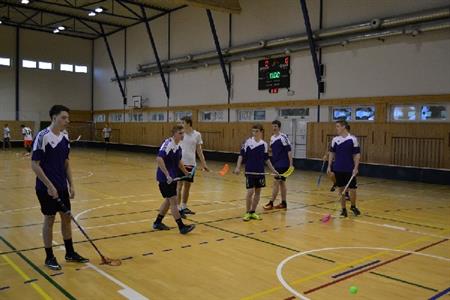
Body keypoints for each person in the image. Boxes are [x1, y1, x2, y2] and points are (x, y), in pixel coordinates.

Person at [31, 105, 88, 270]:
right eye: (64, 118)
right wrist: (49, 185)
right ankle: (49, 257)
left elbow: (66, 163)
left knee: (66, 218)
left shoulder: (64, 137)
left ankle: (70, 253)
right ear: (54, 117)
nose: (67, 121)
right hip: (45, 188)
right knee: (49, 219)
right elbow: (34, 164)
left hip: (62, 187)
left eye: (68, 118)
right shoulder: (42, 137)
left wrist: (72, 185)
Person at [152, 125, 196, 234]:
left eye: (183, 133)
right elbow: (159, 158)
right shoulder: (168, 144)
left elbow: (179, 161)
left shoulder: (178, 146)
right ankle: (181, 227)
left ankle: (157, 222)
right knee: (173, 201)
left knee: (168, 200)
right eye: (180, 133)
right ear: (174, 134)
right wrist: (167, 174)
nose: (182, 135)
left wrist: (186, 172)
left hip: (173, 178)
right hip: (165, 179)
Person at [234, 124, 278, 221]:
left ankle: (252, 212)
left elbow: (267, 159)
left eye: (256, 131)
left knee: (258, 192)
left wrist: (273, 170)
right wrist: (238, 167)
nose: (254, 133)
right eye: (253, 131)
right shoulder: (247, 142)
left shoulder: (264, 144)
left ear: (261, 132)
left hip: (260, 172)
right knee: (250, 191)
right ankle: (247, 212)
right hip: (250, 170)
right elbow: (241, 155)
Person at [327, 120, 361, 218]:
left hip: (349, 168)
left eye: (338, 126)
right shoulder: (335, 140)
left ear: (343, 127)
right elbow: (332, 153)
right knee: (341, 189)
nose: (336, 128)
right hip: (338, 168)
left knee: (353, 189)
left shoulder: (353, 139)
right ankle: (343, 209)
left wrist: (356, 167)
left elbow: (356, 154)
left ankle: (353, 206)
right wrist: (329, 166)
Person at [177, 116, 209, 218]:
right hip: (180, 163)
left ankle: (184, 206)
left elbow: (199, 150)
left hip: (191, 164)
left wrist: (204, 164)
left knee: (187, 187)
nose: (181, 124)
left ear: (189, 123)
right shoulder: (180, 134)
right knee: (179, 186)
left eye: (183, 122)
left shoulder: (197, 135)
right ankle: (177, 209)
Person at [263, 120, 293, 210]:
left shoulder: (283, 137)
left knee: (276, 182)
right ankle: (284, 203)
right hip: (276, 163)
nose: (274, 128)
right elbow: (272, 150)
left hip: (283, 163)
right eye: (273, 126)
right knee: (282, 183)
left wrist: (291, 164)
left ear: (279, 127)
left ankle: (271, 203)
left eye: (275, 126)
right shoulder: (272, 138)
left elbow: (289, 150)